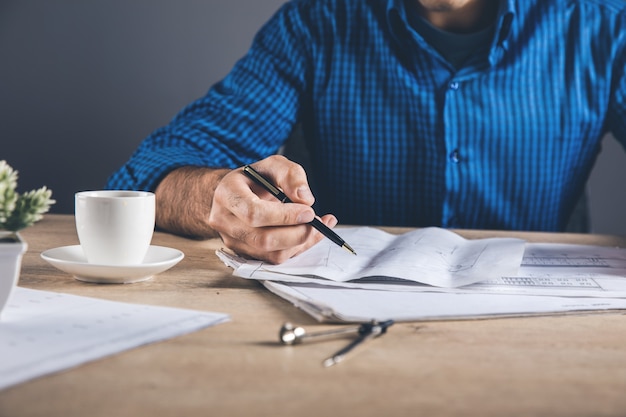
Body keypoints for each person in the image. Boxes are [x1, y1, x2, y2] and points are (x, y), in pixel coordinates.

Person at [106, 0, 626, 263]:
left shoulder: (604, 26)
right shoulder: (317, 23)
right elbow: (148, 173)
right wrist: (217, 197)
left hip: (542, 328)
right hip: (341, 324)